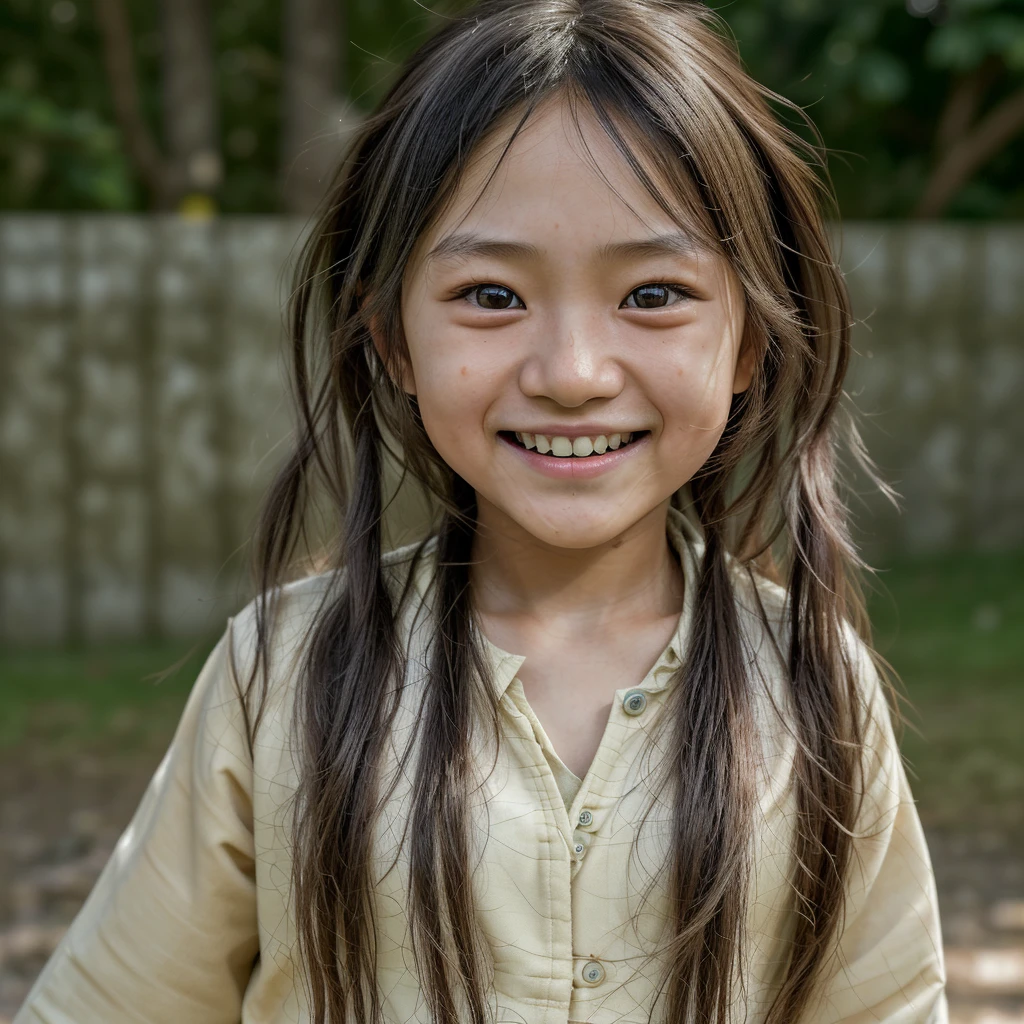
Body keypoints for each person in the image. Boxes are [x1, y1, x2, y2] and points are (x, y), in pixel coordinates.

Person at [14, 1, 948, 1021]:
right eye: (493, 296)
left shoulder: (811, 681)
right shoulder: (281, 674)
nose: (572, 374)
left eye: (652, 294)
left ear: (751, 341)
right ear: (390, 340)